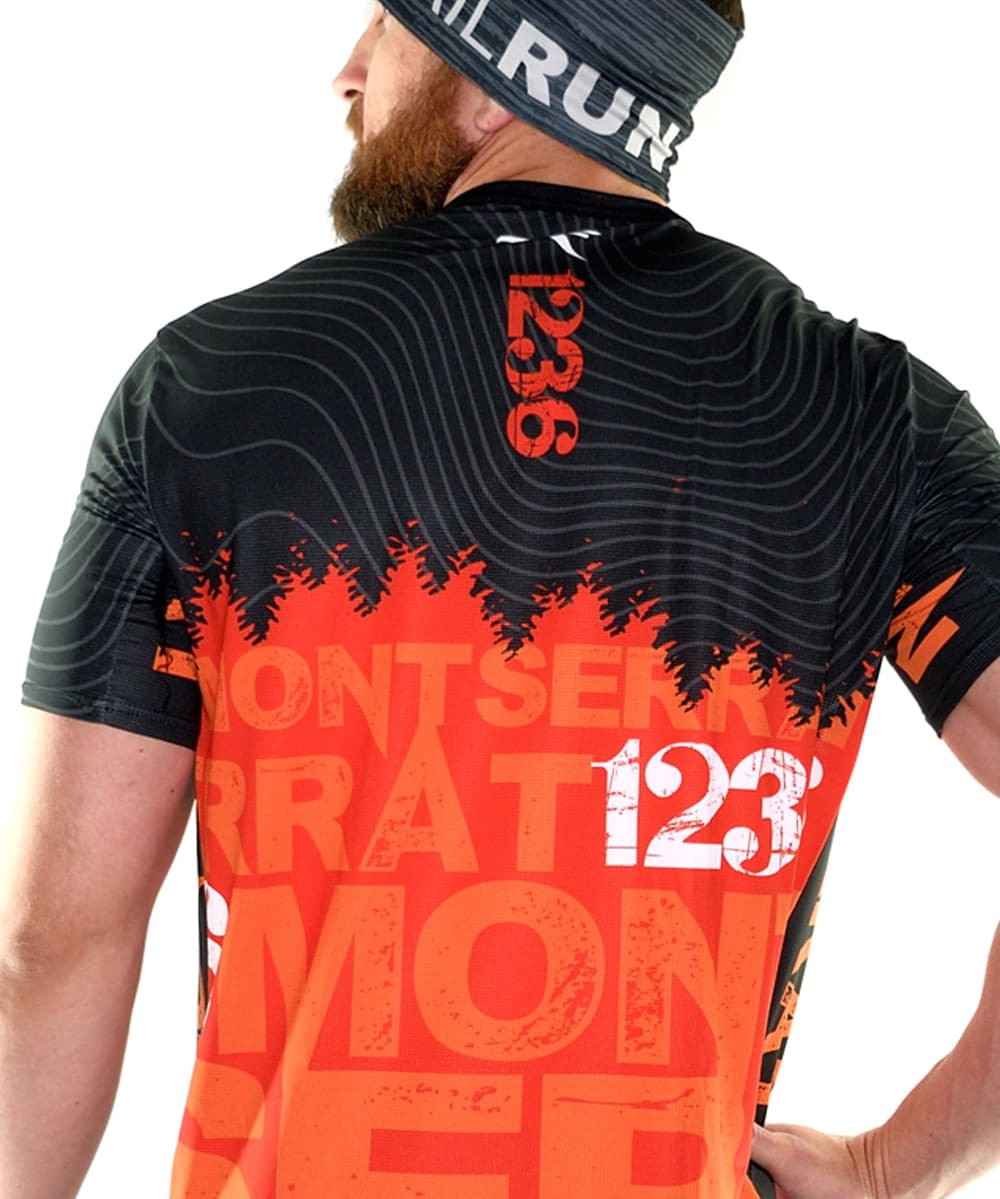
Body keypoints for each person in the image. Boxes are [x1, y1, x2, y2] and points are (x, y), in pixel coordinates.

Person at [1, 3, 998, 1198]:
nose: (349, 73)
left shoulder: (211, 390)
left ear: (498, 73)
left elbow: (52, 943)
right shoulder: (865, 413)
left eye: (390, 25)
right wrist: (904, 1161)